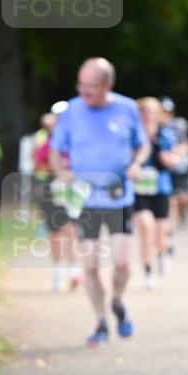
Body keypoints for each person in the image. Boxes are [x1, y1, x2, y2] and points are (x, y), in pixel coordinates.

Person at [50, 58, 150, 347]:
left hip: (119, 197)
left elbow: (143, 145)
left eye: (91, 86)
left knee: (121, 262)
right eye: (81, 85)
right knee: (91, 267)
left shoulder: (127, 108)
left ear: (108, 85)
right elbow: (55, 150)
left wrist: (137, 164)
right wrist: (61, 173)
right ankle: (101, 321)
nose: (84, 91)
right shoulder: (71, 111)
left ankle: (117, 299)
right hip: (86, 199)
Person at [33, 108, 82, 291]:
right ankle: (58, 271)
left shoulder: (78, 138)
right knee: (55, 232)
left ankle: (74, 271)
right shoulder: (48, 140)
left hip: (72, 188)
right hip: (52, 187)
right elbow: (38, 163)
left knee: (71, 229)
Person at [134, 98, 179, 289]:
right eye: (144, 111)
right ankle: (147, 271)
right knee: (146, 227)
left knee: (160, 234)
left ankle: (161, 253)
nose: (148, 115)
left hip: (160, 187)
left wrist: (168, 159)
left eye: (152, 111)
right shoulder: (133, 134)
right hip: (139, 188)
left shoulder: (165, 135)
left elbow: (175, 158)